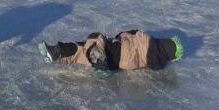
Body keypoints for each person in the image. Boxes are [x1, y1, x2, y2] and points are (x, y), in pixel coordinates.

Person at [38, 30, 182, 73]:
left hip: (119, 50)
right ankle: (57, 55)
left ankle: (58, 52)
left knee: (93, 38)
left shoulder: (146, 38)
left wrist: (119, 37)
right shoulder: (156, 62)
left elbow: (126, 34)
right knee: (85, 53)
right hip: (121, 63)